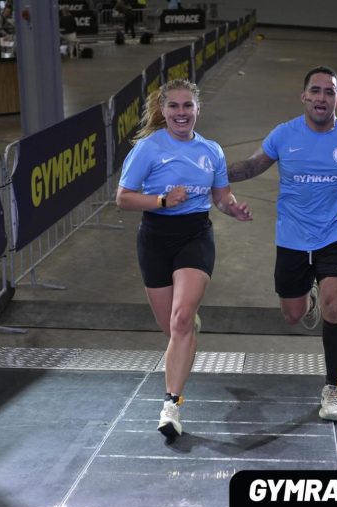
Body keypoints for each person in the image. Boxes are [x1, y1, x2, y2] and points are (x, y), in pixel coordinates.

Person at [227, 66, 337, 423]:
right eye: (316, 91)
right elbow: (251, 167)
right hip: (291, 238)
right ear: (304, 96)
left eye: (329, 92)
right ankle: (307, 298)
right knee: (292, 315)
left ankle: (333, 387)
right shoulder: (284, 134)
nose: (322, 97)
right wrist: (212, 173)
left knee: (335, 308)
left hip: (335, 234)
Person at [116, 79, 252, 438]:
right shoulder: (148, 149)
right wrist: (161, 201)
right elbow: (123, 198)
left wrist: (232, 208)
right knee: (173, 328)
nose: (181, 113)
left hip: (195, 236)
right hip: (155, 239)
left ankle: (171, 405)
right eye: (174, 106)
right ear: (163, 110)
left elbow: (221, 196)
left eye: (187, 105)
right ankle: (189, 326)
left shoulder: (211, 150)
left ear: (197, 109)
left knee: (180, 320)